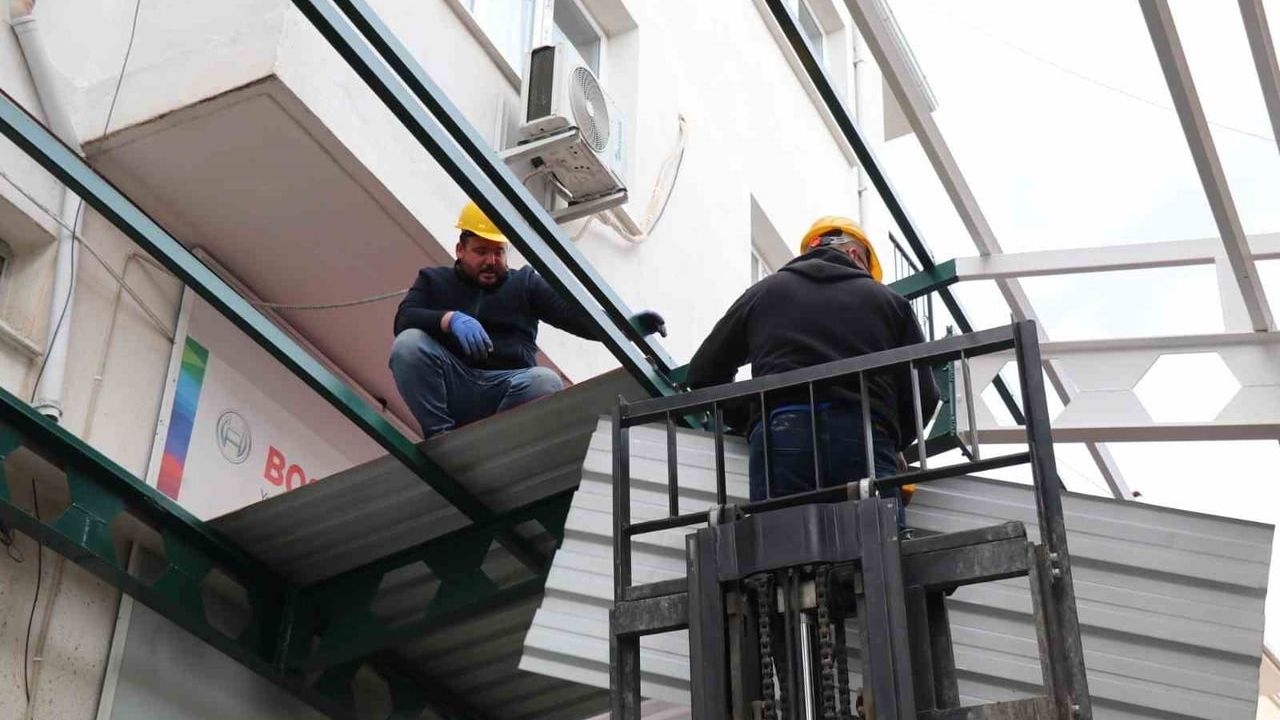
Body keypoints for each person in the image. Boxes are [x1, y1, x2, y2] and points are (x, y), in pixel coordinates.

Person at [686, 216, 939, 516]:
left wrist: (754, 417)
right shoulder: (890, 303)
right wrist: (891, 436)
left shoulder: (764, 293)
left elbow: (703, 374)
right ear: (856, 255)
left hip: (781, 432)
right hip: (863, 436)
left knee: (783, 547)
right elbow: (925, 395)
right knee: (878, 546)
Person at [390, 201, 665, 439]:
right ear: (460, 250)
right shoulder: (434, 280)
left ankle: (494, 441)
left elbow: (576, 318)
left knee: (545, 380)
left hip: (505, 390)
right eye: (481, 251)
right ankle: (440, 436)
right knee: (408, 344)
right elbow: (404, 320)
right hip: (455, 385)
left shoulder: (525, 284)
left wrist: (627, 327)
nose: (491, 260)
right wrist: (449, 319)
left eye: (498, 252)